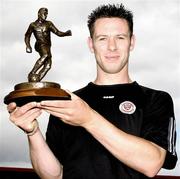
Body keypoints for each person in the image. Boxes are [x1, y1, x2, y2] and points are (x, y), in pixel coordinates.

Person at [7, 4, 177, 179]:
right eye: (102, 38)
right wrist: (33, 132)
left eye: (120, 37)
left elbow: (152, 163)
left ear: (131, 42)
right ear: (91, 44)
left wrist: (88, 118)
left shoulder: (156, 99)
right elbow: (54, 175)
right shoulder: (68, 102)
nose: (112, 47)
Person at [25, 7, 72, 82]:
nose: (45, 16)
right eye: (44, 14)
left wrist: (66, 33)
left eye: (46, 14)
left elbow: (58, 32)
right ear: (39, 14)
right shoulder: (33, 25)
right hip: (39, 45)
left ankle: (37, 80)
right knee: (46, 55)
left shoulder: (49, 24)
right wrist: (28, 46)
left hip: (47, 45)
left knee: (48, 65)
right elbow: (27, 36)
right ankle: (32, 73)